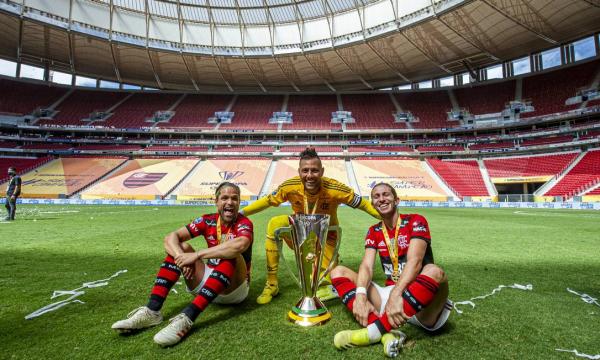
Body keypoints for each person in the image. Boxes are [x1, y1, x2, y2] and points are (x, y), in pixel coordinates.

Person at [111, 182, 253, 347]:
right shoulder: (207, 220)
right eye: (225, 198)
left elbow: (240, 245)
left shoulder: (244, 223)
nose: (230, 202)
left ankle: (187, 318)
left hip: (234, 290)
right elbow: (170, 237)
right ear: (216, 201)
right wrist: (181, 257)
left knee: (231, 254)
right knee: (180, 247)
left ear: (239, 202)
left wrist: (197, 255)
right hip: (210, 286)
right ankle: (152, 311)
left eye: (234, 199)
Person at [240, 147, 380, 304]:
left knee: (325, 281)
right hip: (299, 233)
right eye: (305, 170)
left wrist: (387, 217)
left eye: (314, 171)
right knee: (275, 224)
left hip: (326, 237)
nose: (309, 175)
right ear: (299, 171)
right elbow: (267, 201)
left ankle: (330, 263)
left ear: (322, 171)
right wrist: (242, 213)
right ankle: (272, 284)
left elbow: (364, 204)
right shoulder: (290, 186)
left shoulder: (335, 189)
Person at [331, 182, 452, 358]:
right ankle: (388, 334)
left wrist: (396, 294)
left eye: (386, 195)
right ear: (372, 204)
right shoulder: (374, 231)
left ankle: (372, 333)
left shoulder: (416, 220)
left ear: (396, 200)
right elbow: (366, 265)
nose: (381, 199)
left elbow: (415, 261)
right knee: (338, 271)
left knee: (434, 271)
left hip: (420, 304)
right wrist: (360, 295)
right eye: (376, 196)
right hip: (388, 302)